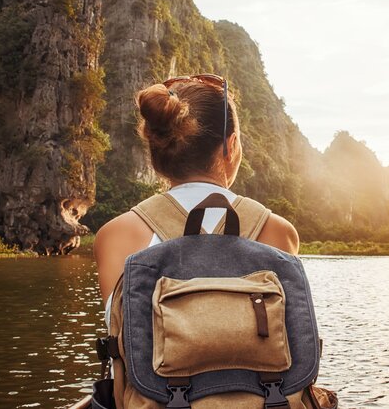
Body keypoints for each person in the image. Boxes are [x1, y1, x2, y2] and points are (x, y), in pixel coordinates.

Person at [93, 74, 299, 301]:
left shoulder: (115, 236)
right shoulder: (277, 232)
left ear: (155, 150)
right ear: (230, 147)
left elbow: (121, 332)